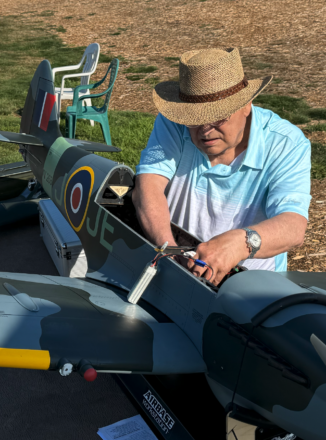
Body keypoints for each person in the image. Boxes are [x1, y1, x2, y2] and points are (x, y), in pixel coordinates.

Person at [133, 48, 311, 285]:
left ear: (247, 105)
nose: (205, 129)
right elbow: (148, 186)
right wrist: (169, 252)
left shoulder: (286, 143)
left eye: (218, 116)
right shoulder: (173, 122)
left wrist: (241, 243)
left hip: (253, 285)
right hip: (178, 269)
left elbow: (293, 226)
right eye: (194, 117)